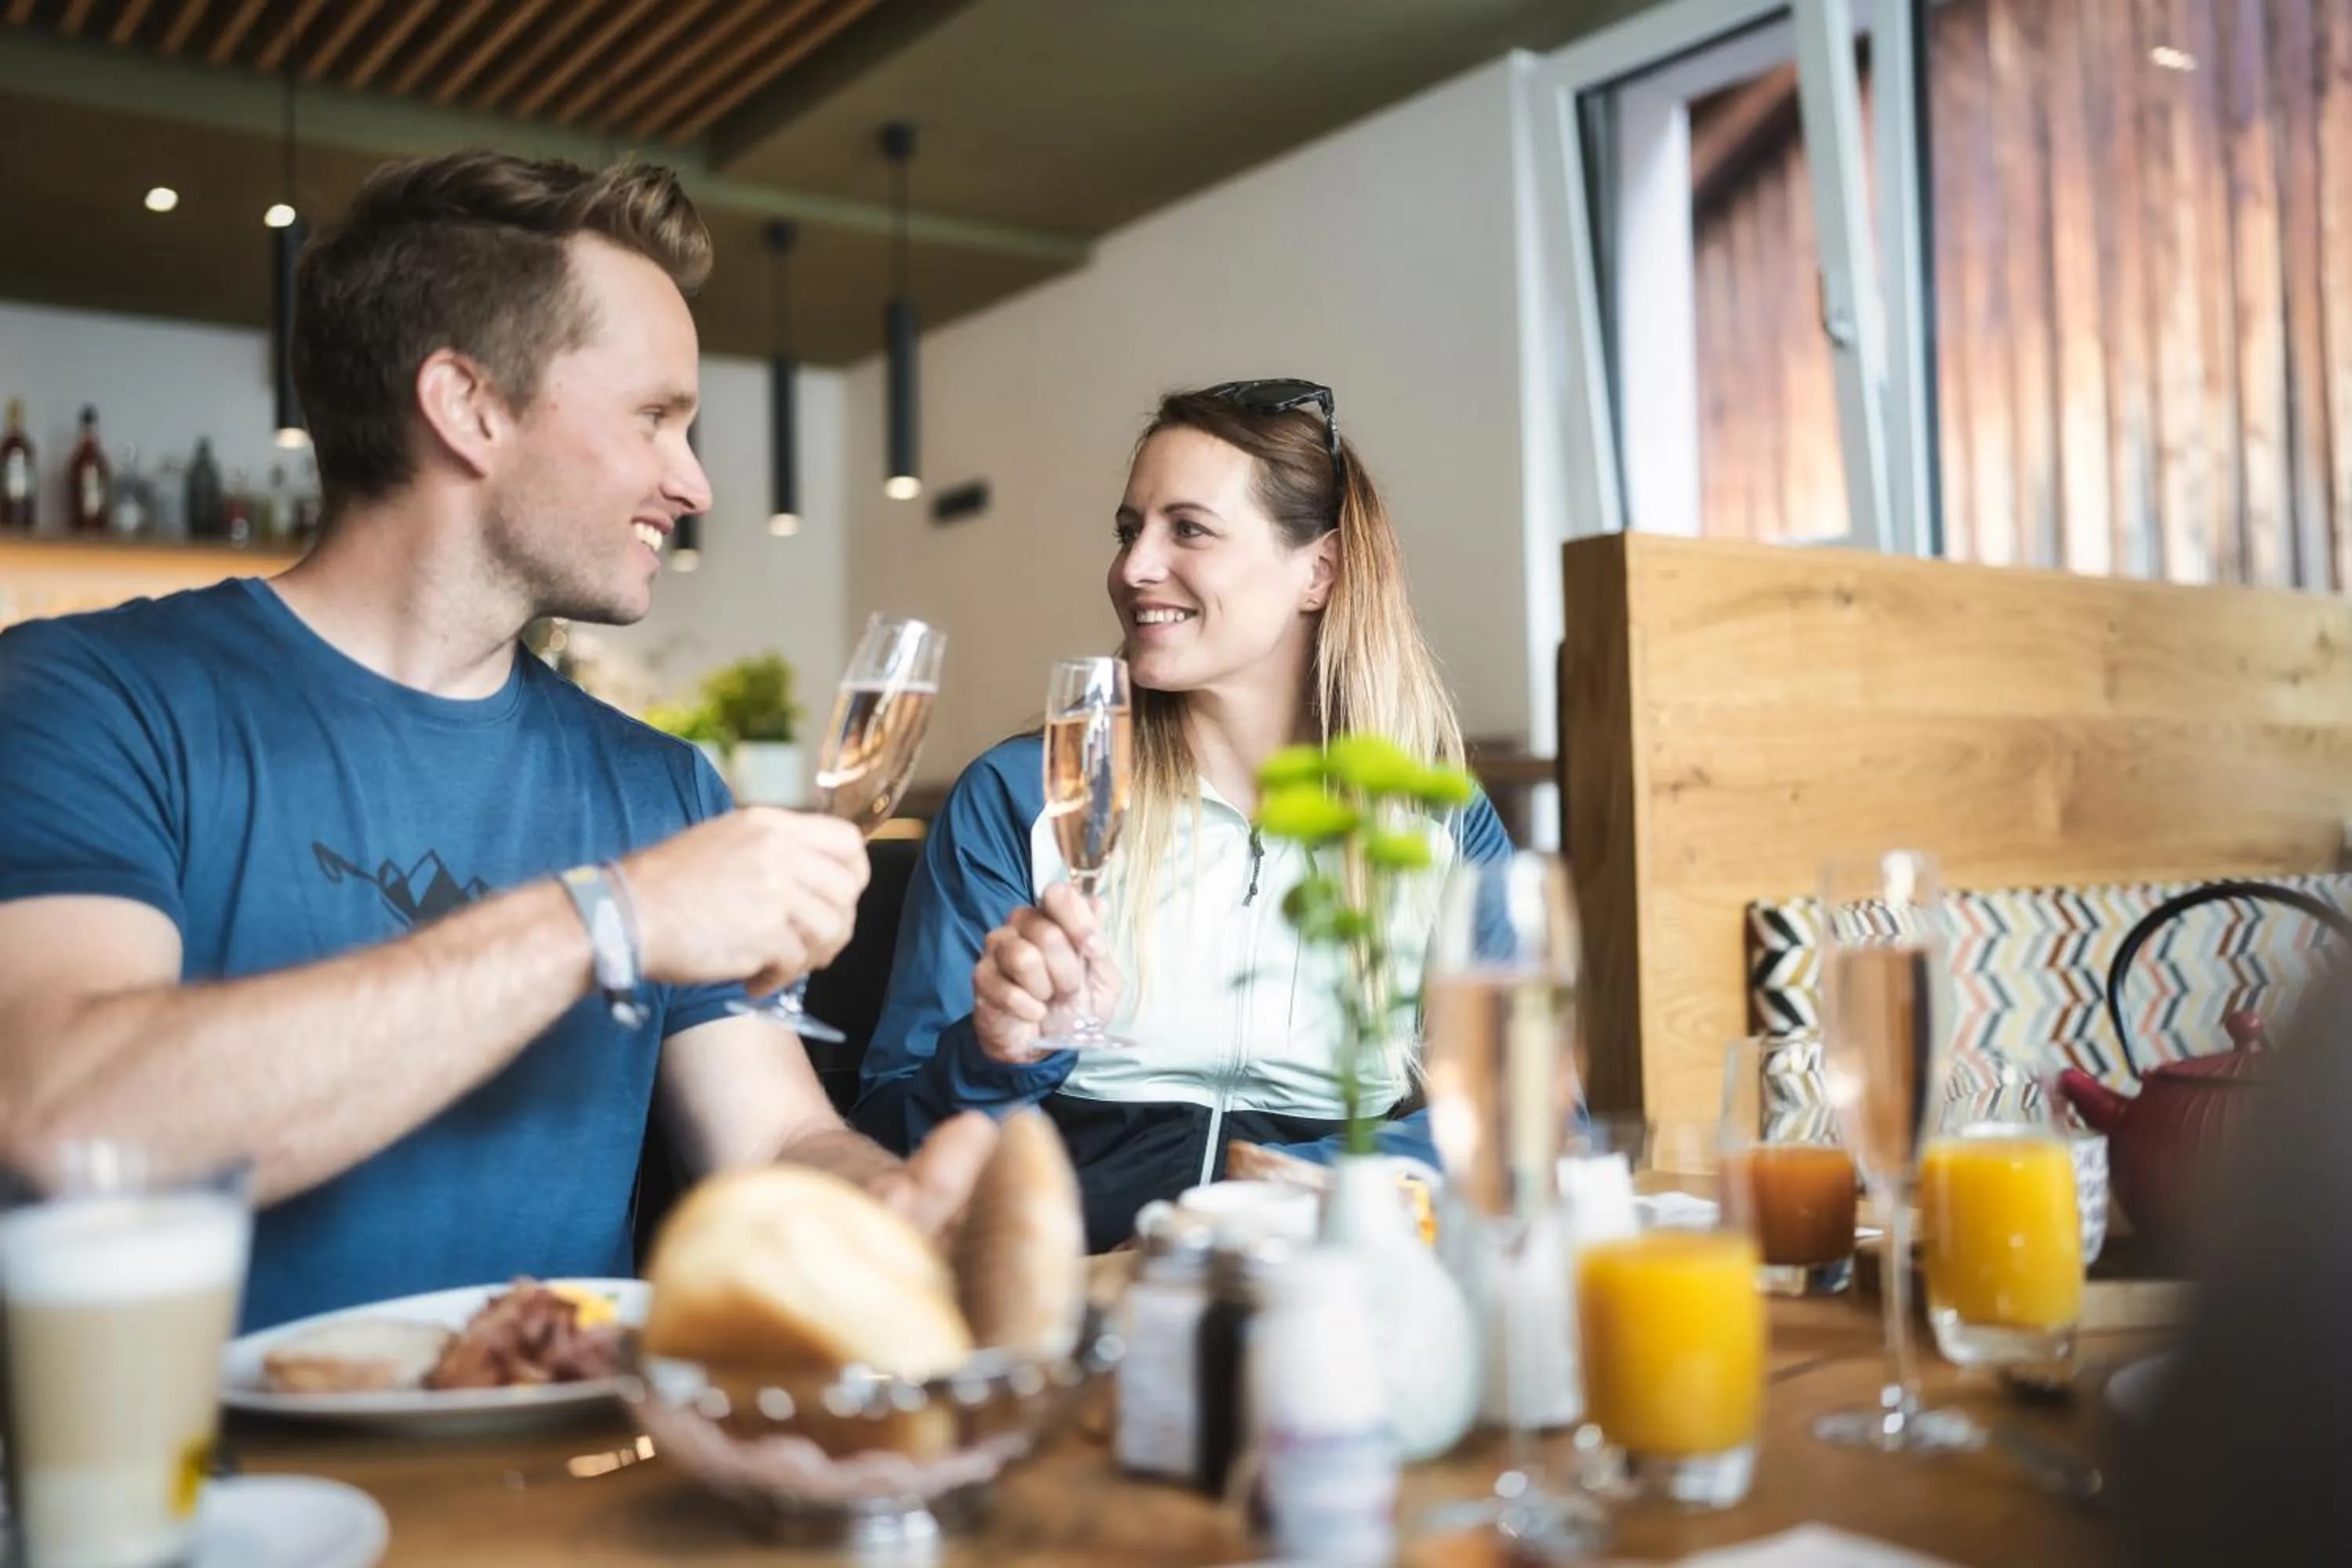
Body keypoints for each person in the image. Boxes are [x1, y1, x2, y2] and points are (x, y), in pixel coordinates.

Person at [0, 151, 991, 1331]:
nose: (695, 484)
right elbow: (69, 1116)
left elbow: (773, 1138)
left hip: (576, 1476)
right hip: (220, 1495)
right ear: (469, 407)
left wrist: (904, 1204)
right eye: (657, 419)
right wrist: (606, 920)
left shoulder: (659, 785)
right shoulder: (89, 697)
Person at [855, 381, 1511, 1250]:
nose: (1133, 568)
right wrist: (997, 1051)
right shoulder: (1021, 794)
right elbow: (889, 1128)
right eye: (1131, 530)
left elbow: (1525, 1112)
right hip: (1069, 1284)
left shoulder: (1437, 818)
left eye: (1188, 529)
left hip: (1326, 1283)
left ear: (1318, 570)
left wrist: (1273, 1199)